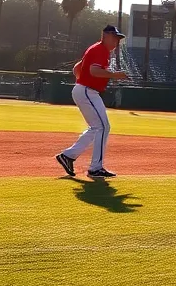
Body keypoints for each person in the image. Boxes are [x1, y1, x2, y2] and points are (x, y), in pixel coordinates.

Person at [55, 26, 129, 179]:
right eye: (114, 38)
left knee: (97, 127)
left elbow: (77, 68)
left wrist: (80, 82)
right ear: (105, 36)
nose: (116, 41)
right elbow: (94, 71)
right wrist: (114, 75)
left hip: (86, 90)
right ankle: (96, 168)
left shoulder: (96, 49)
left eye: (118, 39)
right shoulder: (100, 50)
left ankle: (68, 156)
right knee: (102, 126)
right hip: (87, 91)